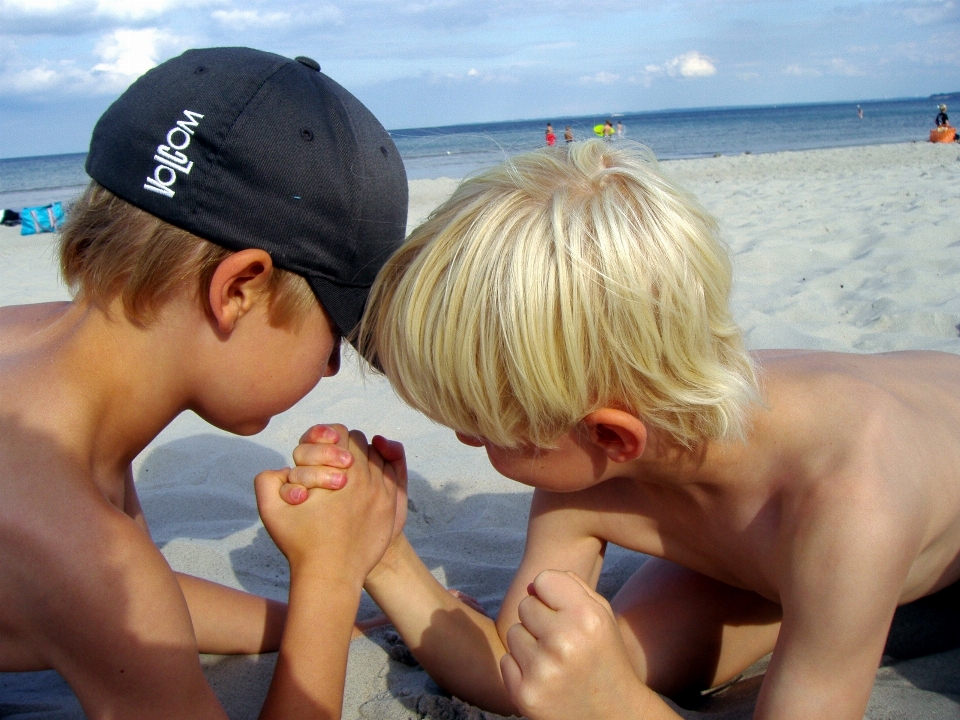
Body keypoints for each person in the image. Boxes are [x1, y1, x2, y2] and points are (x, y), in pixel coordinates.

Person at [292, 138, 960, 720]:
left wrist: (616, 706)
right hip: (755, 553)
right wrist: (381, 553)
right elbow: (514, 669)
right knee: (597, 659)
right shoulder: (588, 463)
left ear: (611, 437)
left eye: (482, 432)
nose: (467, 444)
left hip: (894, 483)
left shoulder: (848, 503)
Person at [0, 47, 408, 719]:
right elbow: (109, 590)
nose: (331, 368)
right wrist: (330, 580)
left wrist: (298, 621)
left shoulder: (52, 367)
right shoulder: (75, 540)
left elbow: (135, 609)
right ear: (240, 290)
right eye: (334, 334)